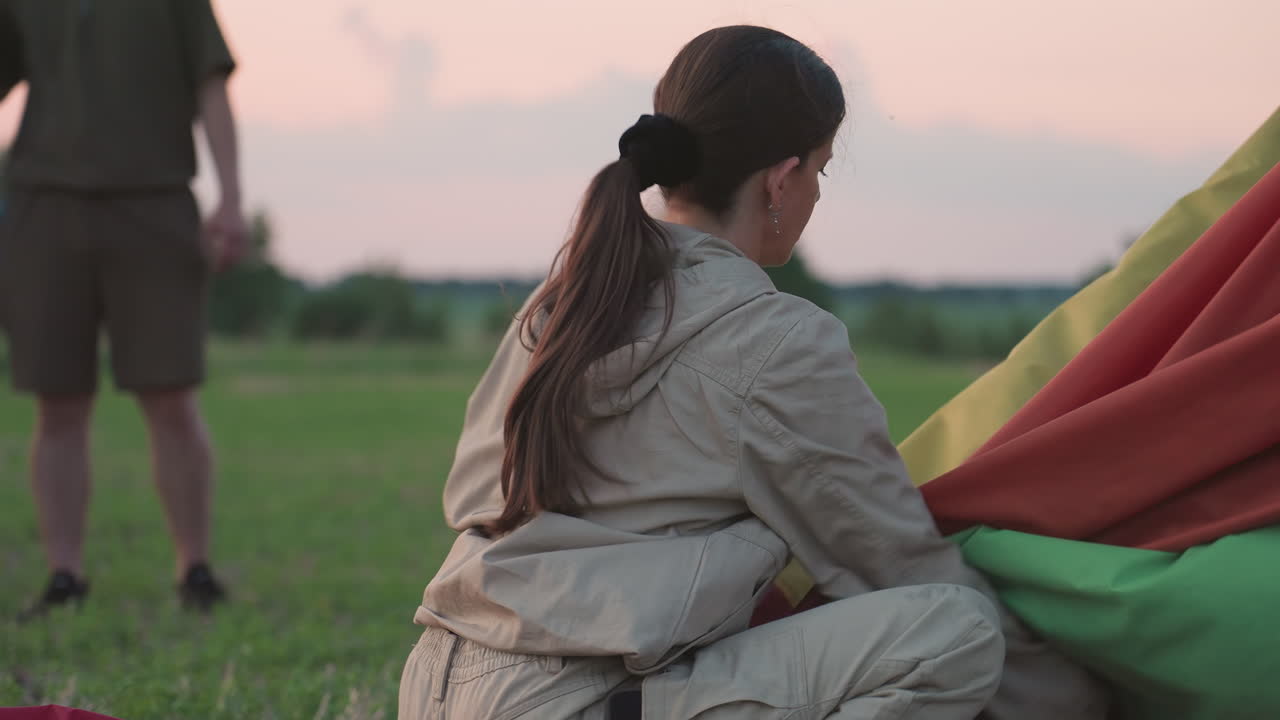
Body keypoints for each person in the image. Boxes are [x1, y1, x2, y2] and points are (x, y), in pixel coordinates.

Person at [399, 25, 1110, 720]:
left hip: (441, 682)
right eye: (821, 169)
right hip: (576, 698)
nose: (817, 194)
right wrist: (1078, 702)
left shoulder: (566, 300)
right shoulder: (775, 340)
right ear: (781, 180)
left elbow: (471, 495)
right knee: (954, 632)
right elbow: (891, 557)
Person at [0, 0, 247, 619]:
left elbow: (210, 82)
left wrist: (232, 197)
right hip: (43, 205)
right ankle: (65, 575)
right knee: (56, 401)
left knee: (171, 394)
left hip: (154, 201)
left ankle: (194, 568)